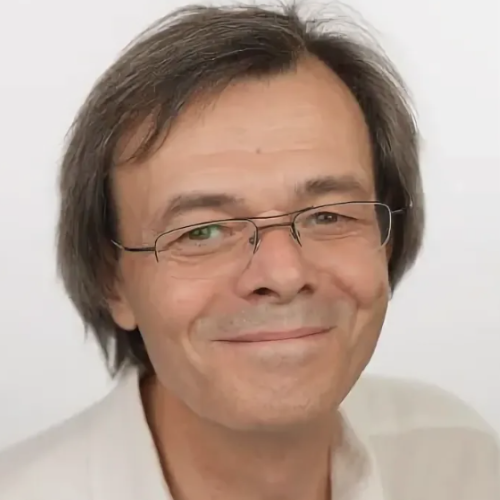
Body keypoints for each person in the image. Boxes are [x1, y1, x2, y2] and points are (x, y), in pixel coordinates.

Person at [0, 2, 498, 499]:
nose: (283, 275)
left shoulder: (460, 464)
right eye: (203, 231)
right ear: (112, 280)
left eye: (328, 216)